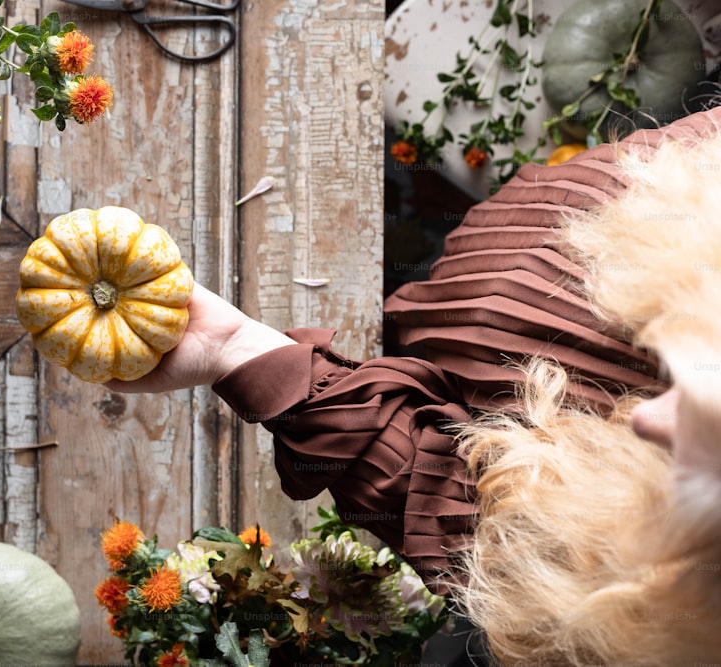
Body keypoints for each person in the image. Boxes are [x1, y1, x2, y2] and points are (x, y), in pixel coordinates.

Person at [108, 106, 721, 665]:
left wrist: (243, 353)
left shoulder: (644, 618)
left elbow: (455, 506)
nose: (648, 421)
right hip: (493, 245)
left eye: (695, 474)